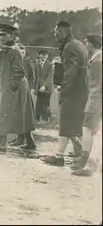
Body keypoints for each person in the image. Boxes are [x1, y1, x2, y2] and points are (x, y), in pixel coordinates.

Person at [42, 20, 88, 166]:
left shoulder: (68, 47)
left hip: (74, 91)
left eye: (56, 32)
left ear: (62, 32)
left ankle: (59, 156)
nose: (55, 36)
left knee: (66, 123)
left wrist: (64, 90)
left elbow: (71, 72)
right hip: (82, 90)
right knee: (72, 124)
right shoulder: (78, 44)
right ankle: (79, 150)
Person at [0, 23, 36, 152]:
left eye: (4, 35)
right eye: (0, 35)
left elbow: (19, 71)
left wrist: (11, 87)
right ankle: (30, 142)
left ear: (12, 36)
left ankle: (1, 144)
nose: (2, 38)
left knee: (4, 111)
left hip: (15, 85)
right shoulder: (6, 50)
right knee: (23, 114)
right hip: (16, 85)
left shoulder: (14, 51)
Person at [71, 33, 102, 176]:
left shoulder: (98, 61)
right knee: (91, 130)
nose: (85, 44)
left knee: (89, 129)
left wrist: (94, 101)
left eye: (86, 42)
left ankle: (89, 163)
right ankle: (88, 162)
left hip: (96, 100)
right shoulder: (95, 58)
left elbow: (98, 84)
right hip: (94, 98)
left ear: (91, 44)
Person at [34, 49, 53, 124]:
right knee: (39, 102)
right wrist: (34, 87)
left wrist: (44, 86)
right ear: (39, 55)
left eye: (45, 55)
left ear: (47, 56)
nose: (43, 56)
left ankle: (46, 118)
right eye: (42, 54)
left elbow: (50, 76)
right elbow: (36, 76)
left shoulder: (49, 65)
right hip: (38, 87)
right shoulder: (37, 65)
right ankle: (37, 118)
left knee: (45, 102)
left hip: (46, 88)